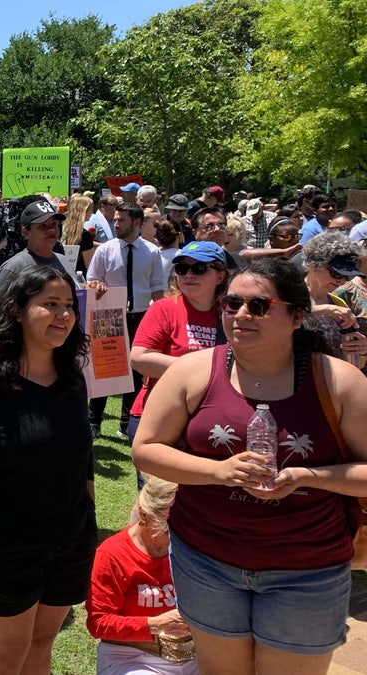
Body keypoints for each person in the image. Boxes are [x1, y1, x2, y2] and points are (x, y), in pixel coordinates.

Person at [132, 256, 367, 675]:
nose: (240, 315)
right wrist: (218, 472)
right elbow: (146, 448)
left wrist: (307, 477)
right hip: (206, 561)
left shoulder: (339, 382)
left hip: (307, 569)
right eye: (231, 304)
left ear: (296, 316)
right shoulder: (193, 371)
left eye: (258, 306)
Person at [0, 265, 97, 675]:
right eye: (50, 305)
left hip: (67, 539)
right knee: (4, 658)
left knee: (41, 645)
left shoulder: (71, 378)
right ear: (18, 310)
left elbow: (83, 456)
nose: (63, 315)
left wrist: (87, 513)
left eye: (68, 306)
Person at [128, 241, 229, 484]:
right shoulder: (165, 309)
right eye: (182, 269)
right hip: (160, 417)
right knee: (157, 505)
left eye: (200, 269)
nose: (189, 275)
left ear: (220, 276)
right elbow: (139, 358)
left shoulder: (231, 313)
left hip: (211, 421)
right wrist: (200, 368)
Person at [86, 478, 197, 675]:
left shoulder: (191, 545)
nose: (178, 535)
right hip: (133, 656)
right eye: (168, 529)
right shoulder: (112, 555)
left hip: (196, 654)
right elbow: (98, 623)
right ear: (144, 515)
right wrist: (153, 624)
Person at [87, 203, 168, 438]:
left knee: (135, 370)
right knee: (105, 368)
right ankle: (94, 421)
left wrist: (160, 319)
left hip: (141, 315)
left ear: (137, 223)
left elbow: (157, 290)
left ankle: (126, 421)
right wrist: (96, 285)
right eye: (115, 219)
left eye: (122, 220)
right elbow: (91, 280)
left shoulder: (151, 252)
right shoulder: (105, 250)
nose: (116, 223)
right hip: (111, 314)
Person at [300, 231, 367, 365]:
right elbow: (278, 318)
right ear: (313, 265)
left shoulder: (338, 303)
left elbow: (356, 363)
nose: (342, 281)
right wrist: (322, 309)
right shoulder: (290, 294)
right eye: (337, 274)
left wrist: (362, 350)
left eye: (347, 276)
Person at [63, 193, 98, 274]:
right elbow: (89, 266)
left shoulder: (59, 228)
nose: (92, 213)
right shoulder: (85, 235)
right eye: (91, 210)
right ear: (85, 211)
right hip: (78, 279)